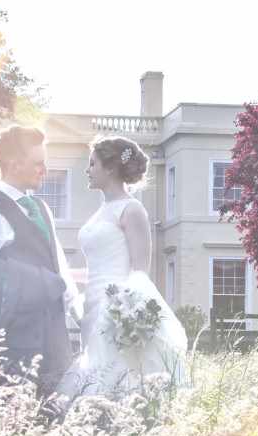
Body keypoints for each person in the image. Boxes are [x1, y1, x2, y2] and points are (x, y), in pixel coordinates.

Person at [60, 135, 187, 396]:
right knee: (93, 369)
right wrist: (64, 275)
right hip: (91, 306)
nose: (88, 170)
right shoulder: (101, 211)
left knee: (118, 375)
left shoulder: (132, 210)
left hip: (116, 310)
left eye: (92, 164)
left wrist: (124, 312)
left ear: (110, 168)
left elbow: (140, 271)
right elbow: (97, 268)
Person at [0, 125, 82, 397]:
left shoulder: (42, 208)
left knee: (55, 407)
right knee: (10, 408)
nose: (45, 170)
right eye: (38, 163)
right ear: (14, 164)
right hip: (13, 334)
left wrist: (79, 314)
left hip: (53, 329)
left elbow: (59, 267)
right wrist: (40, 282)